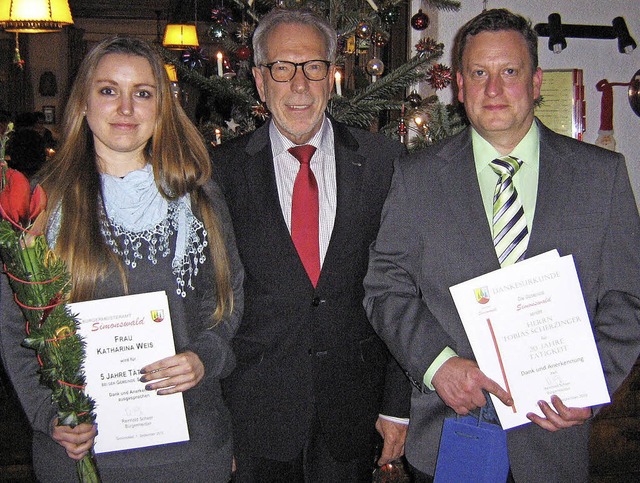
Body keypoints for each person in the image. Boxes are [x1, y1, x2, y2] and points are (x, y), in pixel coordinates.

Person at [363, 8, 640, 483]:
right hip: (451, 437)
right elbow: (385, 288)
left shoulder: (602, 177)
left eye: (509, 72)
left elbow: (628, 297)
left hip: (554, 440)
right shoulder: (416, 179)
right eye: (479, 73)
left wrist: (593, 387)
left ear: (536, 83)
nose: (493, 89)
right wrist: (439, 366)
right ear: (460, 86)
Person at [0, 36, 244, 482]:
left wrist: (203, 358)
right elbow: (16, 327)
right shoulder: (40, 204)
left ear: (161, 106)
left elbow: (225, 303)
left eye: (143, 93)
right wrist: (48, 415)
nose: (126, 108)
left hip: (189, 450)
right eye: (109, 90)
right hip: (82, 454)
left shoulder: (197, 195)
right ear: (84, 102)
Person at [212, 8, 411, 482]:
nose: (299, 85)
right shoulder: (219, 173)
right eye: (283, 67)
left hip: (354, 415)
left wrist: (397, 408)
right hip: (254, 420)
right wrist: (213, 423)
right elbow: (208, 303)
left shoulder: (385, 163)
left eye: (313, 67)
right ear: (261, 82)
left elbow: (406, 287)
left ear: (331, 75)